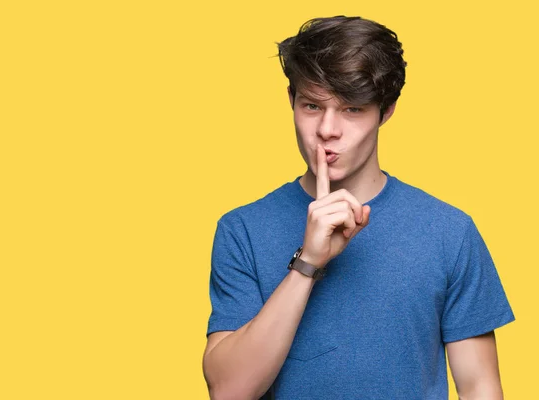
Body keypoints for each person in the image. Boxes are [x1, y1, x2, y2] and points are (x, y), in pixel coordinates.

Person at [202, 15, 514, 400]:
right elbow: (229, 391)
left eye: (352, 109)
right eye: (312, 106)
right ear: (291, 102)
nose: (328, 129)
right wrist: (307, 263)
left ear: (386, 110)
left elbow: (480, 386)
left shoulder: (449, 231)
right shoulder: (243, 230)